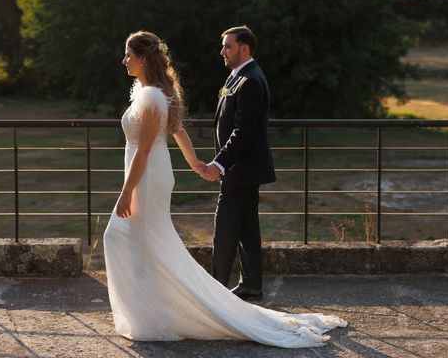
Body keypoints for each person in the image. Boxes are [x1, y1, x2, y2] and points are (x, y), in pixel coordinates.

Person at [103, 30, 346, 347]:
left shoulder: (151, 96)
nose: (124, 61)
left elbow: (145, 150)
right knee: (149, 241)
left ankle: (159, 310)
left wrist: (125, 191)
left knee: (120, 235)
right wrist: (195, 163)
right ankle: (155, 308)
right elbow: (177, 132)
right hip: (153, 173)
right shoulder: (154, 91)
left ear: (143, 58)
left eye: (128, 55)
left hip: (147, 177)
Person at [200, 25, 275, 300]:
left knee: (225, 230)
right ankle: (251, 285)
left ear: (244, 49)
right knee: (246, 230)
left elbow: (244, 132)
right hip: (241, 171)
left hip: (241, 171)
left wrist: (219, 164)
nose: (222, 51)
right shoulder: (237, 78)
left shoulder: (251, 80)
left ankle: (214, 292)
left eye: (227, 46)